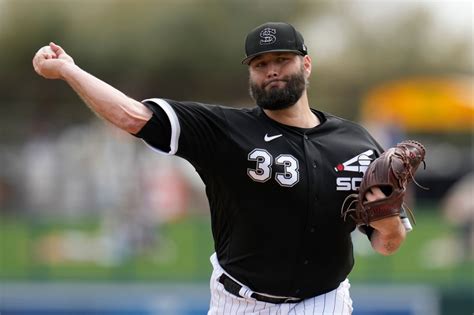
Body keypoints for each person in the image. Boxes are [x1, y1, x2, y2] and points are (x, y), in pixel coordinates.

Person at [33, 22, 413, 315]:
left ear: (306, 64)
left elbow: (387, 245)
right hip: (239, 302)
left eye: (282, 59)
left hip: (323, 301)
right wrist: (69, 70)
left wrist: (389, 222)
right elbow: (133, 116)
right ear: (250, 73)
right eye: (261, 64)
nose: (272, 70)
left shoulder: (356, 143)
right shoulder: (223, 130)